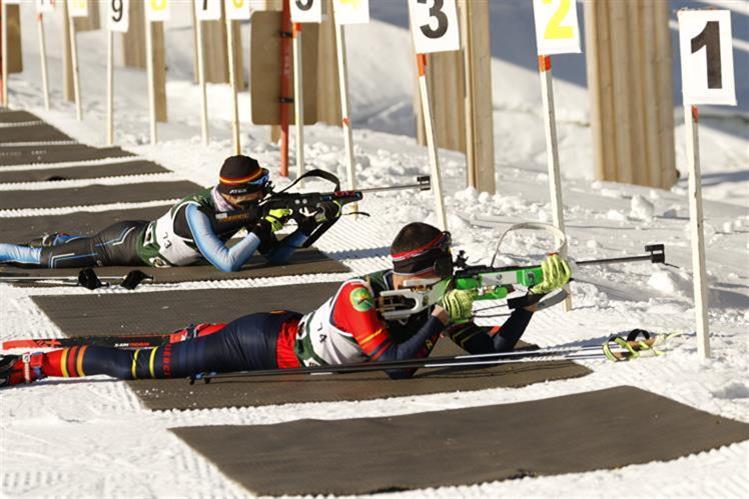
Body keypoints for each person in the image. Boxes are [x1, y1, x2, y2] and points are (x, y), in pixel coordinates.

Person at [0, 222, 571, 386]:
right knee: (145, 367)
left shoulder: (434, 297)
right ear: (427, 272)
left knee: (174, 347)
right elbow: (399, 366)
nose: (451, 283)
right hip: (258, 343)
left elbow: (486, 354)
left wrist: (527, 304)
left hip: (281, 333)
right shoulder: (361, 295)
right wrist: (443, 317)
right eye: (444, 272)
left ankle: (176, 338)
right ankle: (38, 364)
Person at [0, 155, 340, 272]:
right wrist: (260, 228)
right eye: (259, 187)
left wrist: (309, 224)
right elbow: (227, 263)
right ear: (238, 193)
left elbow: (277, 258)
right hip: (121, 244)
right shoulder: (196, 212)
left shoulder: (236, 209)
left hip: (140, 234)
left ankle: (63, 240)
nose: (265, 193)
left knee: (62, 248)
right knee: (46, 259)